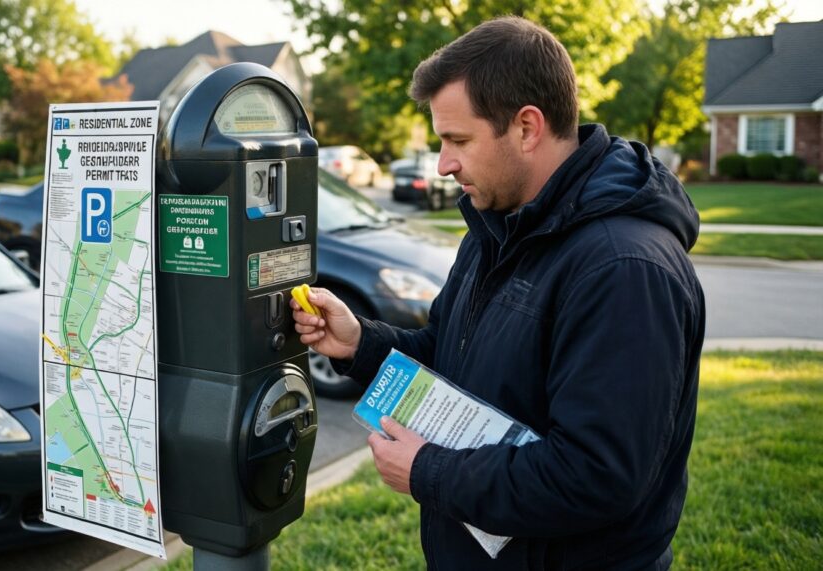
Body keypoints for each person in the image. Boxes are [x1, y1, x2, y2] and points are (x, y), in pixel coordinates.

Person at [293, 16, 705, 570]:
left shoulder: (623, 267)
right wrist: (359, 344)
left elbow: (597, 477)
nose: (443, 165)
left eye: (457, 140)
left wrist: (429, 473)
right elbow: (449, 354)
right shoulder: (496, 226)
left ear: (527, 127)